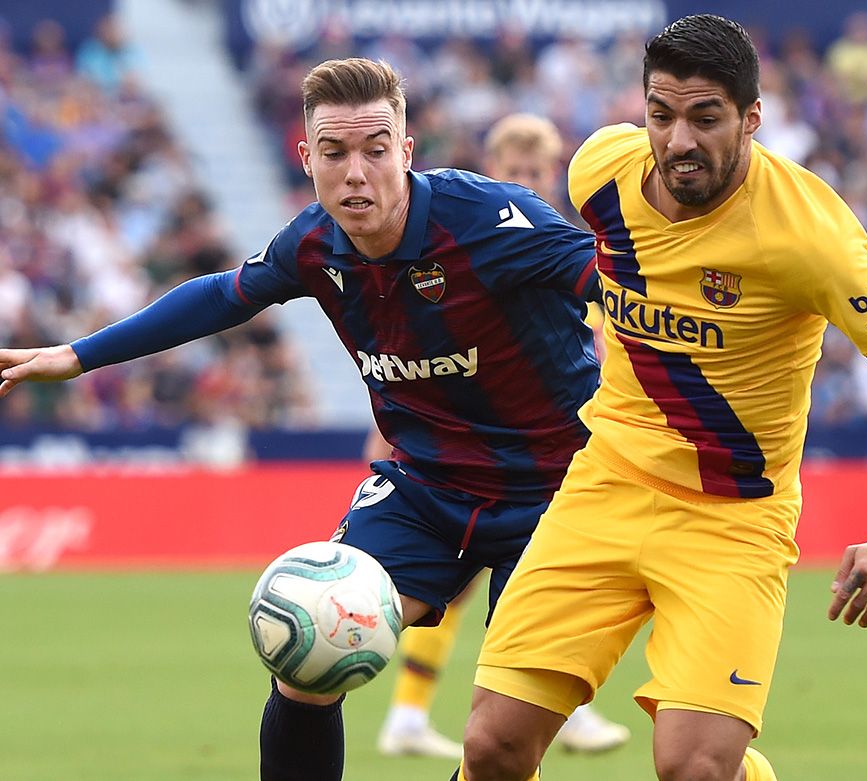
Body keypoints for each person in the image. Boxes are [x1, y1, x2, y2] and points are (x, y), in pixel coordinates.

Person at [0, 58, 604, 781]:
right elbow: (224, 294)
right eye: (336, 152)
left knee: (497, 749)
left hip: (558, 499)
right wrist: (78, 353)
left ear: (406, 152)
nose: (357, 173)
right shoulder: (313, 244)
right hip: (426, 491)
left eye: (376, 150)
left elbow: (622, 282)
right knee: (307, 652)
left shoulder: (496, 223)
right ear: (306, 157)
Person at [458, 15, 867, 781]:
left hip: (732, 518)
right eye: (662, 115)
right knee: (491, 746)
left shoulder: (808, 235)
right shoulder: (599, 173)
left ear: (751, 118)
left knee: (695, 768)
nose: (679, 141)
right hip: (605, 484)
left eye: (705, 118)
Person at [372, 112, 630, 759]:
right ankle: (429, 713)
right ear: (493, 174)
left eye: (535, 173)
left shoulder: (567, 253)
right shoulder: (471, 255)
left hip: (561, 445)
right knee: (483, 589)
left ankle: (418, 715)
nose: (525, 182)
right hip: (486, 457)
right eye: (512, 173)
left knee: (527, 587)